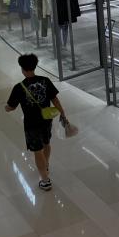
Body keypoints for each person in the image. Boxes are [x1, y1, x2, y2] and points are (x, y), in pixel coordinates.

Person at [5, 54, 69, 191]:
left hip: (31, 123)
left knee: (37, 150)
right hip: (47, 119)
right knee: (46, 143)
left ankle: (45, 181)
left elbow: (10, 107)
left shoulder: (19, 87)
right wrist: (62, 113)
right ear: (35, 66)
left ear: (22, 69)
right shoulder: (45, 81)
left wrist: (6, 108)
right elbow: (55, 99)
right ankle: (45, 166)